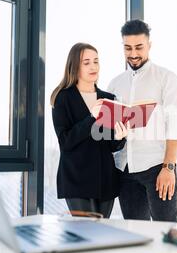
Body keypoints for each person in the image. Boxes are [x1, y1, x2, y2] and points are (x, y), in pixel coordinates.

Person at [107, 20, 177, 222]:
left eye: (139, 47)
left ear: (149, 45)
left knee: (166, 230)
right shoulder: (115, 83)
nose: (133, 54)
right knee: (135, 232)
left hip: (157, 167)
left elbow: (175, 128)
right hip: (124, 169)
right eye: (128, 48)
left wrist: (169, 168)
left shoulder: (167, 79)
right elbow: (109, 129)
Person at [50, 42, 128, 218]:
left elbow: (110, 145)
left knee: (101, 235)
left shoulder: (108, 99)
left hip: (105, 179)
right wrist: (92, 118)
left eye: (96, 61)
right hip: (77, 178)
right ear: (75, 66)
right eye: (86, 63)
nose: (93, 67)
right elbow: (66, 141)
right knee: (86, 233)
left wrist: (120, 137)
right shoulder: (62, 98)